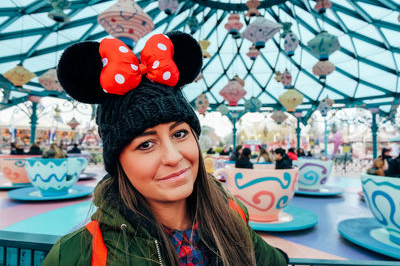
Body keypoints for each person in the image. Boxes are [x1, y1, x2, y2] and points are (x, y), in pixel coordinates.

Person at [42, 31, 288, 266]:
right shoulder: (78, 255)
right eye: (145, 144)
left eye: (179, 133)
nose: (173, 157)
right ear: (118, 162)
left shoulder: (231, 213)